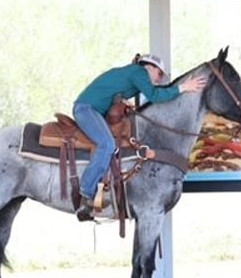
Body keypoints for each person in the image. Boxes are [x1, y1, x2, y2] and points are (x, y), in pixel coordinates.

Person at [72, 53, 208, 219]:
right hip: (86, 109)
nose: (159, 80)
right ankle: (87, 192)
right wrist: (184, 87)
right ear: (150, 67)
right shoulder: (139, 72)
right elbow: (155, 96)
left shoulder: (132, 73)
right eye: (159, 74)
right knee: (107, 145)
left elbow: (116, 93)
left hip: (93, 110)